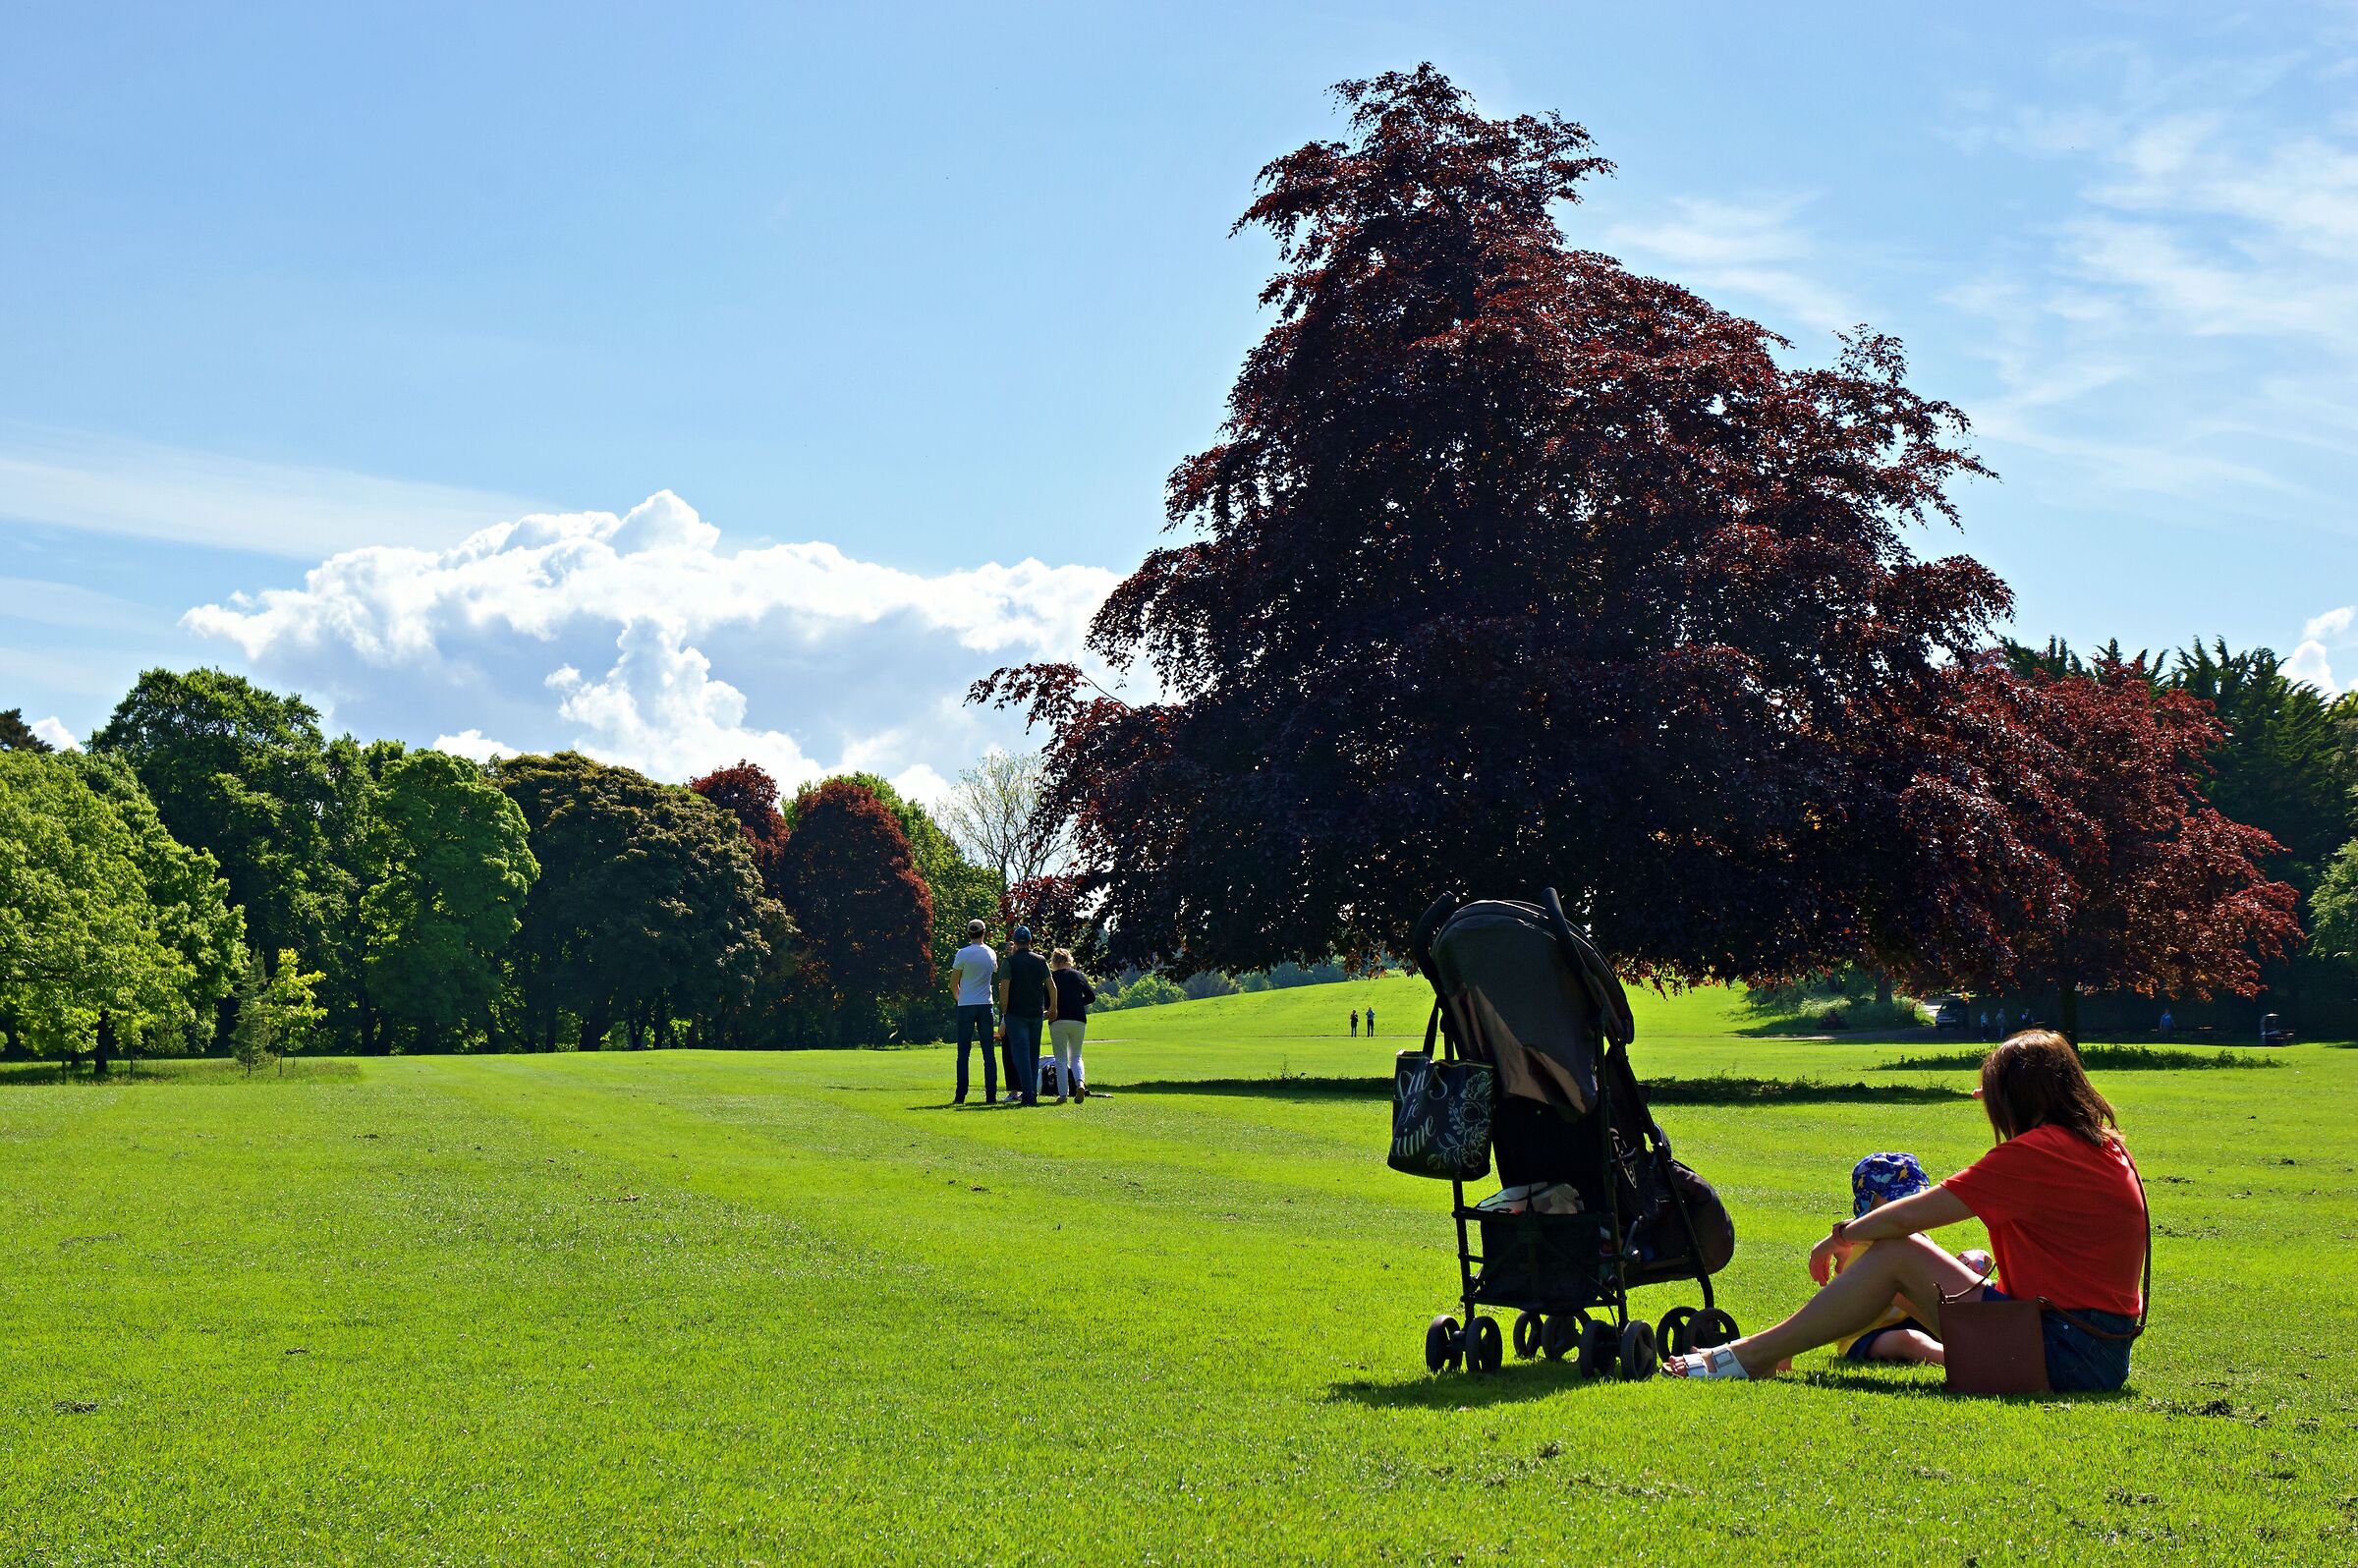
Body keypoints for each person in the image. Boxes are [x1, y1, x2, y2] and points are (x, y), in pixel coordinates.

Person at [1662, 1031, 2147, 1390]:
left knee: (1898, 1252)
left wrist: (1842, 1235)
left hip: (2062, 1356)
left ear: (2016, 1100)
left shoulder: (2039, 1153)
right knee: (1903, 1264)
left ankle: (1751, 1355)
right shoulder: (2103, 1148)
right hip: (2097, 1354)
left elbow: (1911, 1215)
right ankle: (1770, 1352)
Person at [1830, 1153, 1994, 1367]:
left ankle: (1967, 1346)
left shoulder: (1916, 1237)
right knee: (1909, 1341)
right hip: (1868, 1334)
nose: (1905, 1211)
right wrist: (1951, 1326)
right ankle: (1973, 1360)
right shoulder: (1864, 1250)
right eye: (1896, 1202)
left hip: (1911, 1320)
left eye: (1912, 1200)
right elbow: (1905, 1296)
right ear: (1869, 1207)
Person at [996, 924, 1054, 1108]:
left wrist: (1004, 1012)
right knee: (1032, 1053)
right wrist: (1053, 1007)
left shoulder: (1009, 963)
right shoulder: (1040, 960)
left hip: (1015, 1014)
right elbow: (1051, 986)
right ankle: (1031, 1093)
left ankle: (1028, 1094)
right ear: (1030, 941)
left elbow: (1004, 989)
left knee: (1019, 1055)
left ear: (1014, 943)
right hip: (1035, 1015)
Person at [947, 919, 998, 1105]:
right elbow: (993, 971)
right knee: (988, 1053)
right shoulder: (991, 953)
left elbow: (954, 983)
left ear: (969, 933)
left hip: (966, 1006)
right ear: (984, 932)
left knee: (963, 1053)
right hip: (986, 1005)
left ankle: (960, 1096)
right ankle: (991, 1096)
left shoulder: (962, 954)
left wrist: (960, 999)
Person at [1048, 949, 1095, 1103]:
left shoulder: (1051, 978)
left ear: (1054, 961)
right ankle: (1080, 1083)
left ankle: (1063, 1095)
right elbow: (1091, 996)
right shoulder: (1078, 975)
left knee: (1060, 1058)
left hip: (1058, 1020)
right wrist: (1076, 1003)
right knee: (1076, 1056)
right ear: (1069, 959)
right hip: (1078, 1019)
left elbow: (1046, 1001)